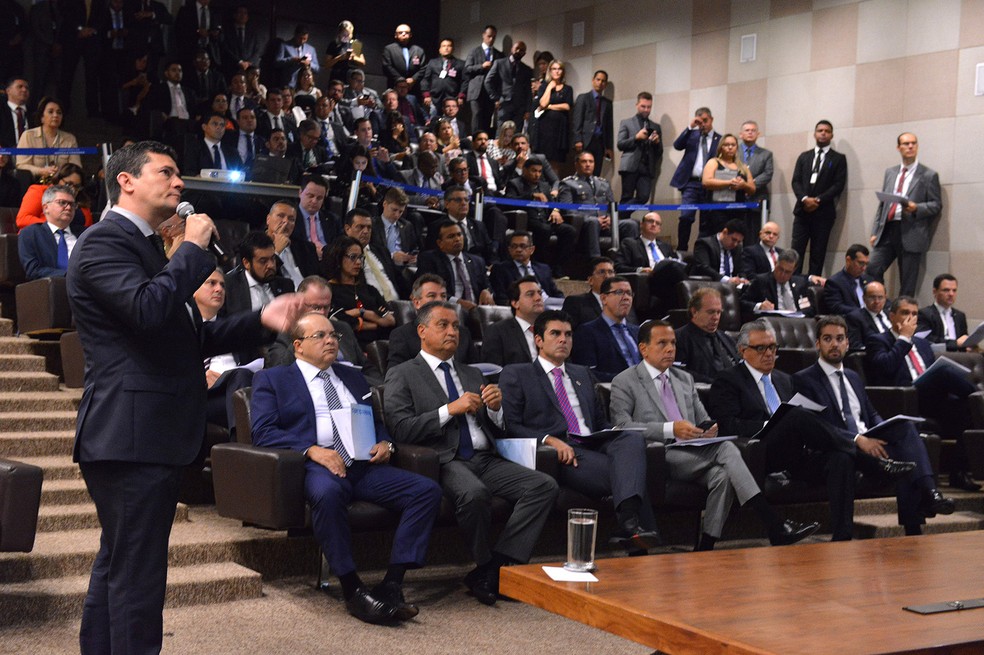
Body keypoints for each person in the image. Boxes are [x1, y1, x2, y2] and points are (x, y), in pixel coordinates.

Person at [66, 140, 302, 653]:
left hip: (148, 432)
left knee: (122, 562)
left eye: (179, 174)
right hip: (129, 434)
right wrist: (192, 248)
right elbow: (148, 310)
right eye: (167, 172)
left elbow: (184, 337)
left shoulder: (149, 248)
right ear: (125, 180)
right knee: (137, 575)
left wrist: (259, 319)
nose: (179, 183)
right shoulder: (103, 242)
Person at [251, 312, 442, 623]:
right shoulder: (273, 379)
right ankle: (352, 588)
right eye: (321, 336)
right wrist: (311, 450)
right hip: (316, 466)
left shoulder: (352, 376)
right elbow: (263, 432)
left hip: (362, 464)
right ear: (298, 345)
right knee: (327, 494)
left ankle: (393, 582)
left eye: (333, 336)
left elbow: (377, 422)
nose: (331, 340)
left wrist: (386, 444)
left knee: (426, 491)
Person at [384, 301, 559, 606]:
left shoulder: (470, 372)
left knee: (543, 485)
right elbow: (401, 429)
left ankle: (495, 566)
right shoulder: (403, 373)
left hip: (485, 457)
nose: (453, 331)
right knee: (474, 494)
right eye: (443, 325)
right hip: (445, 458)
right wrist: (448, 410)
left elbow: (497, 427)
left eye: (456, 326)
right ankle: (483, 564)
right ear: (422, 331)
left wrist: (495, 409)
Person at [611, 320, 818, 550]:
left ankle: (706, 545)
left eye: (673, 343)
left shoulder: (684, 379)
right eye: (662, 343)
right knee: (727, 449)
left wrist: (709, 429)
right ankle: (773, 524)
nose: (670, 349)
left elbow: (704, 417)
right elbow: (622, 426)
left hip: (694, 449)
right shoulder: (625, 381)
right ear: (643, 348)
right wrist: (670, 428)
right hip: (659, 454)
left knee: (721, 475)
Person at [708, 320, 912, 542]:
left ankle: (842, 536)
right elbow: (728, 425)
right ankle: (872, 463)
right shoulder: (728, 379)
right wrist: (772, 424)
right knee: (793, 415)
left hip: (796, 454)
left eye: (773, 348)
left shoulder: (784, 379)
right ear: (742, 350)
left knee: (840, 457)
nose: (769, 354)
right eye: (761, 348)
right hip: (759, 452)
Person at [502, 310, 662, 548]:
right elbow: (511, 425)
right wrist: (548, 440)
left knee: (631, 438)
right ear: (538, 340)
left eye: (568, 334)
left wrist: (613, 431)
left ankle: (630, 528)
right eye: (555, 334)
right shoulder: (518, 374)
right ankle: (636, 532)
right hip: (563, 451)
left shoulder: (582, 373)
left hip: (593, 441)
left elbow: (599, 422)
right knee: (631, 472)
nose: (563, 340)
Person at [794, 315, 957, 534]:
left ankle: (924, 507)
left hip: (869, 441)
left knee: (906, 431)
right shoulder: (804, 379)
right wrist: (858, 440)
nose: (835, 344)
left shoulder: (852, 376)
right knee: (891, 455)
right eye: (828, 339)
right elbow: (817, 425)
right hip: (838, 447)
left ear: (847, 343)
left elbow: (870, 414)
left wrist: (883, 429)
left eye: (840, 338)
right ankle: (927, 498)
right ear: (818, 344)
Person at [865, 296, 980, 492]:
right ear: (892, 316)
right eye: (905, 313)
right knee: (944, 374)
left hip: (929, 398)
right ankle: (980, 399)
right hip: (904, 396)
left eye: (914, 314)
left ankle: (958, 473)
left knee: (965, 408)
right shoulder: (877, 340)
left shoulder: (923, 344)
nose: (911, 318)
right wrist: (903, 339)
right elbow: (885, 368)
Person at [263, 276, 378, 384]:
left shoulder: (342, 328)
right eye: (316, 307)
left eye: (326, 307)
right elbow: (277, 375)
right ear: (299, 305)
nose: (322, 313)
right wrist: (301, 335)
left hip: (352, 389)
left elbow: (367, 368)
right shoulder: (285, 334)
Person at [867, 133, 942, 296]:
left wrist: (917, 208)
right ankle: (882, 305)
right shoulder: (891, 172)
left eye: (913, 143)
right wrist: (875, 231)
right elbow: (883, 205)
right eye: (906, 143)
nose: (910, 147)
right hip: (888, 229)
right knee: (871, 268)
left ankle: (902, 317)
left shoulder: (928, 175)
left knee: (907, 283)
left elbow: (936, 205)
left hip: (911, 231)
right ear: (898, 147)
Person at [790, 120, 848, 276]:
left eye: (827, 131)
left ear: (832, 135)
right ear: (815, 134)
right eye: (820, 130)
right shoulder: (804, 157)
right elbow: (795, 181)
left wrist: (818, 200)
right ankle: (793, 284)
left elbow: (838, 185)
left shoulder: (838, 159)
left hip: (823, 214)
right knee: (796, 252)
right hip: (802, 212)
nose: (823, 133)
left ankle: (812, 288)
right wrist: (804, 199)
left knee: (818, 253)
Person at [558, 151, 639, 257]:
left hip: (606, 224)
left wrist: (610, 219)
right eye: (584, 161)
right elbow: (568, 210)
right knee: (593, 222)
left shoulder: (603, 183)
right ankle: (596, 261)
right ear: (576, 164)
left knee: (630, 224)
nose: (588, 164)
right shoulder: (568, 183)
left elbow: (612, 207)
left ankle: (629, 261)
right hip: (585, 225)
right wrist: (593, 219)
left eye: (591, 162)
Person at [387, 274, 477, 368]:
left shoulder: (463, 333)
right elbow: (395, 374)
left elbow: (477, 370)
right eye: (432, 296)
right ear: (417, 302)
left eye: (443, 296)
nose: (439, 300)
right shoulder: (402, 335)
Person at [503, 160, 577, 275]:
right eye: (534, 171)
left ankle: (558, 267)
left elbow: (553, 203)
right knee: (544, 230)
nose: (537, 174)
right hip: (528, 221)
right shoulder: (514, 183)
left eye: (539, 172)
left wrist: (555, 211)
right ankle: (541, 266)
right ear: (525, 170)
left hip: (545, 219)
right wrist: (531, 196)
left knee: (569, 231)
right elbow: (508, 202)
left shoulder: (544, 185)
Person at [323, 235, 395, 347]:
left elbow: (390, 320)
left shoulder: (370, 290)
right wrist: (377, 322)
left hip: (382, 343)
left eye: (361, 258)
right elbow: (339, 323)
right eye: (353, 257)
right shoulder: (328, 290)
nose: (358, 262)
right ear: (339, 258)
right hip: (351, 345)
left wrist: (361, 312)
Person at [613, 211, 686, 316]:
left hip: (668, 280)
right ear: (641, 225)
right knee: (674, 268)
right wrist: (641, 269)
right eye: (650, 221)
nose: (654, 224)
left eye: (657, 223)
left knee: (681, 267)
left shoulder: (666, 247)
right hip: (650, 280)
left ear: (660, 229)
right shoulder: (629, 243)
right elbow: (618, 267)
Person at [570, 276, 640, 382]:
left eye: (629, 293)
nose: (626, 298)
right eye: (619, 292)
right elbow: (587, 373)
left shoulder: (638, 331)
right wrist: (626, 381)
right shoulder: (587, 332)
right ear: (603, 299)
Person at [669, 107, 721, 250]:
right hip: (691, 183)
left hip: (709, 185)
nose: (703, 124)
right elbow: (677, 145)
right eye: (700, 121)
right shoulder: (692, 135)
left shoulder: (719, 139)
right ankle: (681, 249)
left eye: (705, 120)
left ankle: (701, 251)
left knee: (706, 221)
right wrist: (690, 127)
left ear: (711, 120)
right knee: (686, 217)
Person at [416, 219, 494, 310]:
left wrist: (487, 291)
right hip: (448, 308)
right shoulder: (429, 260)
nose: (457, 239)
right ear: (440, 243)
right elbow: (430, 290)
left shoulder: (477, 261)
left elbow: (487, 284)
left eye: (459, 234)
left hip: (478, 310)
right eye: (451, 236)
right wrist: (457, 302)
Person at [342, 207, 409, 301]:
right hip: (368, 306)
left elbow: (399, 280)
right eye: (360, 227)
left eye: (369, 227)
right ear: (347, 229)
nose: (366, 231)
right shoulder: (341, 253)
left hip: (398, 305)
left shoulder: (381, 251)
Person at [674, 287, 739, 384]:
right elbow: (679, 372)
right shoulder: (679, 338)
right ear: (694, 312)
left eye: (718, 312)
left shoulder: (727, 339)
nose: (716, 317)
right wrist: (716, 383)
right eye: (711, 312)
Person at [223, 231, 295, 318]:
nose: (271, 265)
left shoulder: (286, 286)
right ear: (246, 263)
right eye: (263, 261)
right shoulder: (228, 287)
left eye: (273, 259)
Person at [18, 184, 82, 280]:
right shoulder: (30, 233)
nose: (68, 208)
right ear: (46, 207)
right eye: (62, 203)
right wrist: (68, 276)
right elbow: (33, 270)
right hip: (50, 288)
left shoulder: (85, 234)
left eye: (72, 204)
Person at [481, 276, 544, 366]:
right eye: (530, 294)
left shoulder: (549, 329)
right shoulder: (497, 331)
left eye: (540, 293)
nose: (538, 298)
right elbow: (493, 371)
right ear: (515, 303)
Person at [489, 231, 565, 306]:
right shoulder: (500, 269)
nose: (518, 250)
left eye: (522, 246)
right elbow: (501, 297)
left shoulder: (543, 268)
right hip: (523, 306)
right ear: (509, 250)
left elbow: (555, 292)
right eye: (514, 246)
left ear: (532, 249)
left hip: (547, 303)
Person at [701, 134, 755, 237]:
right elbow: (706, 182)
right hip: (716, 210)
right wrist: (728, 183)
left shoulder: (743, 167)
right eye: (726, 145)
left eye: (733, 145)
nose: (730, 147)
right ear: (721, 147)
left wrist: (743, 185)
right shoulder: (714, 162)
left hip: (737, 210)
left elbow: (752, 189)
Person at [561, 256, 638, 328]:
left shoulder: (624, 302)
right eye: (602, 272)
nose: (607, 276)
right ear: (590, 280)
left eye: (610, 272)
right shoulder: (576, 303)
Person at [16, 97, 80, 181]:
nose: (55, 115)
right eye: (50, 112)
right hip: (34, 184)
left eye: (59, 112)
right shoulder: (28, 135)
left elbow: (76, 167)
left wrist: (60, 173)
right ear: (41, 117)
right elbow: (21, 165)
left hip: (61, 186)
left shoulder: (70, 139)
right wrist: (41, 171)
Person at [16, 162, 92, 231]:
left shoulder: (82, 202)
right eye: (68, 184)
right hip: (42, 237)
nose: (72, 189)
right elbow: (23, 219)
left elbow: (89, 231)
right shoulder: (39, 192)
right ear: (57, 180)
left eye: (76, 186)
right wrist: (55, 227)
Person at [616, 91, 662, 205]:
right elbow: (620, 144)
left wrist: (656, 143)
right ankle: (621, 220)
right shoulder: (626, 123)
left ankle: (618, 214)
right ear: (637, 105)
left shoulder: (656, 126)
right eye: (643, 106)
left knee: (644, 197)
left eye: (649, 107)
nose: (646, 109)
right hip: (630, 166)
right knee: (626, 196)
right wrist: (636, 137)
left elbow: (659, 152)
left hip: (647, 168)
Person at [741, 249, 815, 317]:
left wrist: (800, 314)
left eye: (787, 272)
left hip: (797, 324)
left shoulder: (800, 283)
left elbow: (810, 309)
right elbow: (742, 302)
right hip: (774, 324)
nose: (782, 274)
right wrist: (759, 306)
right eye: (780, 269)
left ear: (794, 270)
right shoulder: (761, 281)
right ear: (776, 263)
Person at [264, 199, 318, 288]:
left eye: (291, 219)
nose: (286, 221)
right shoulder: (254, 245)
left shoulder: (307, 248)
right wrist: (276, 252)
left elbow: (316, 280)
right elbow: (262, 278)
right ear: (268, 219)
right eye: (281, 216)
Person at [571, 70, 613, 178]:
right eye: (598, 79)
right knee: (583, 168)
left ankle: (593, 192)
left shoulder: (607, 103)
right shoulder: (583, 98)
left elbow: (609, 126)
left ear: (605, 84)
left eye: (603, 81)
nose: (600, 83)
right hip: (585, 140)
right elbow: (577, 120)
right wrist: (577, 139)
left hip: (599, 141)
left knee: (596, 170)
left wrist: (609, 147)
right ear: (593, 80)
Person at [532, 59, 573, 168]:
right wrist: (549, 87)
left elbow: (567, 106)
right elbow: (542, 103)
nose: (557, 71)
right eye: (554, 69)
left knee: (556, 162)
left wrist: (550, 106)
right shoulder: (544, 87)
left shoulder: (568, 89)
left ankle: (555, 184)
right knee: (542, 161)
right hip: (544, 128)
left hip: (559, 129)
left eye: (559, 69)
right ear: (550, 71)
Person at [484, 41, 532, 127]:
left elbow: (528, 91)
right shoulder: (499, 63)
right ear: (512, 49)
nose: (518, 51)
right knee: (501, 132)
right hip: (503, 104)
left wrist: (528, 110)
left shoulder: (526, 69)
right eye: (516, 48)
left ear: (524, 53)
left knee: (516, 135)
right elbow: (488, 81)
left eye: (521, 50)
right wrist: (496, 98)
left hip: (519, 107)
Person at [737, 120, 773, 234]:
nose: (750, 133)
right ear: (741, 134)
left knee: (754, 234)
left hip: (757, 198)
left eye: (753, 130)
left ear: (758, 134)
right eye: (747, 130)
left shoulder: (766, 154)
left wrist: (749, 185)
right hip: (736, 198)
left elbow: (767, 174)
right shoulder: (733, 152)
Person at [917, 274, 969, 351]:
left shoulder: (960, 316)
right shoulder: (924, 314)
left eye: (954, 290)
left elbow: (963, 339)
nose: (951, 294)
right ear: (935, 291)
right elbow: (926, 339)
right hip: (937, 355)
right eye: (946, 290)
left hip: (960, 356)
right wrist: (955, 343)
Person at [463, 25, 501, 134]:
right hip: (476, 91)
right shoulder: (474, 52)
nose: (491, 39)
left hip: (490, 92)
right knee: (477, 115)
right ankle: (475, 140)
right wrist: (481, 66)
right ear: (483, 35)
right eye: (489, 36)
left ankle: (484, 142)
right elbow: (467, 68)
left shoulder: (498, 54)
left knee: (488, 117)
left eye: (494, 37)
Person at [690, 219, 749, 286]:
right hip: (710, 285)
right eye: (733, 239)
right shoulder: (704, 244)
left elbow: (741, 269)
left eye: (738, 242)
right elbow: (703, 267)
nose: (735, 244)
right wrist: (727, 280)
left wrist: (743, 279)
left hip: (733, 288)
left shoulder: (738, 248)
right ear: (725, 232)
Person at [822, 244, 872, 316]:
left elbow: (883, 299)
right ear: (848, 260)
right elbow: (836, 307)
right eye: (861, 263)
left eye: (866, 264)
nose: (864, 268)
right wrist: (863, 312)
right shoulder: (834, 282)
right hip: (852, 321)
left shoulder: (869, 280)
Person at [420, 38, 466, 115]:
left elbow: (465, 81)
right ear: (440, 49)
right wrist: (426, 94)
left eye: (449, 46)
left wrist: (461, 96)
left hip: (452, 98)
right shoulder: (432, 62)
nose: (446, 48)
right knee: (435, 122)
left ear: (453, 48)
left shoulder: (461, 64)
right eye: (444, 46)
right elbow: (425, 79)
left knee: (450, 123)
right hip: (434, 98)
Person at [219, 5, 262, 79]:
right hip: (231, 68)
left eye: (245, 13)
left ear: (247, 17)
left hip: (249, 69)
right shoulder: (227, 31)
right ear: (235, 15)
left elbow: (257, 50)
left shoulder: (253, 33)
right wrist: (239, 62)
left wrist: (248, 63)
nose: (242, 15)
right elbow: (225, 49)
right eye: (240, 12)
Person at [845, 281, 891, 351]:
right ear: (864, 298)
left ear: (885, 298)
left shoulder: (891, 315)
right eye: (872, 297)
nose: (877, 301)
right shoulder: (855, 318)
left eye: (880, 297)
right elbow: (855, 346)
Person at [324, 20, 365, 85]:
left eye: (348, 35)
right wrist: (339, 58)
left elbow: (362, 63)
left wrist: (353, 57)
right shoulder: (334, 44)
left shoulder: (355, 44)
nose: (346, 37)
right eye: (344, 34)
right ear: (339, 33)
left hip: (351, 76)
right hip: (337, 75)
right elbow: (327, 65)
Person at [277, 24, 319, 88]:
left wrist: (309, 64)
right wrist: (291, 59)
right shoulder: (284, 46)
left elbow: (317, 68)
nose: (302, 41)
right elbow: (277, 63)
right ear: (295, 35)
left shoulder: (311, 49)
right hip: (289, 84)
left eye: (305, 39)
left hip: (305, 86)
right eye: (300, 38)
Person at [1, 77, 31, 148]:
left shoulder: (34, 113)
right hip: (5, 154)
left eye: (27, 88)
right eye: (20, 87)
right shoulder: (2, 111)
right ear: (8, 90)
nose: (24, 90)